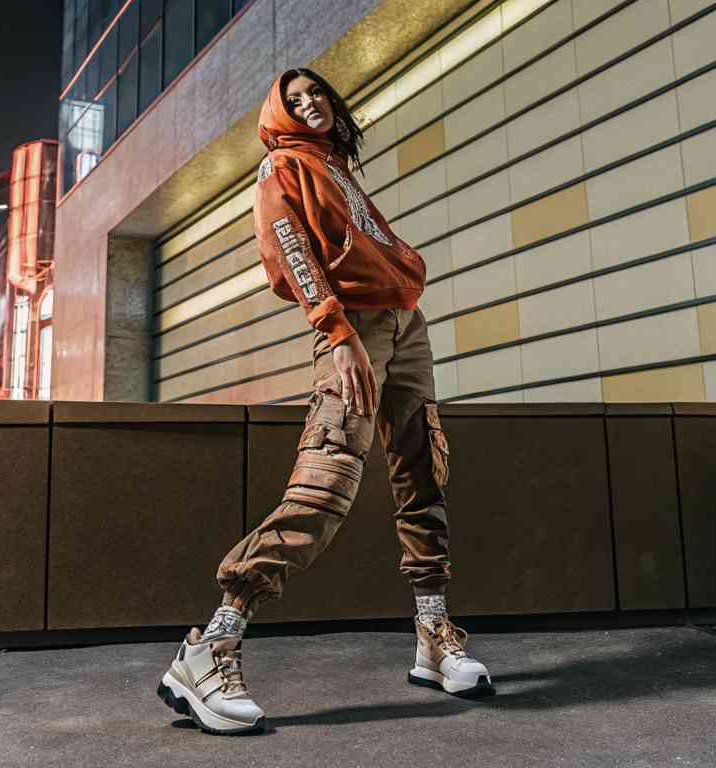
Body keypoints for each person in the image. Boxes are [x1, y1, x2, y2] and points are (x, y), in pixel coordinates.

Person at [156, 68, 494, 736]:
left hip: (404, 323)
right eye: (296, 97)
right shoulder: (282, 166)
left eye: (318, 93)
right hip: (355, 329)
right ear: (279, 113)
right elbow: (288, 245)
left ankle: (432, 635)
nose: (311, 102)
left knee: (423, 473)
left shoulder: (334, 166)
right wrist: (333, 330)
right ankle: (209, 647)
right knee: (327, 482)